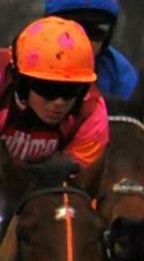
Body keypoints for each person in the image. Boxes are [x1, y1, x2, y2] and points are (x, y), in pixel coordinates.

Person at [0, 17, 110, 230]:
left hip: (42, 193)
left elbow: (79, 185)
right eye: (48, 89)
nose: (58, 103)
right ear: (22, 82)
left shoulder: (91, 110)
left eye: (70, 91)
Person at [43, 0, 144, 105]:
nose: (84, 41)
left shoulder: (120, 77)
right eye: (73, 30)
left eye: (97, 30)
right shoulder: (22, 65)